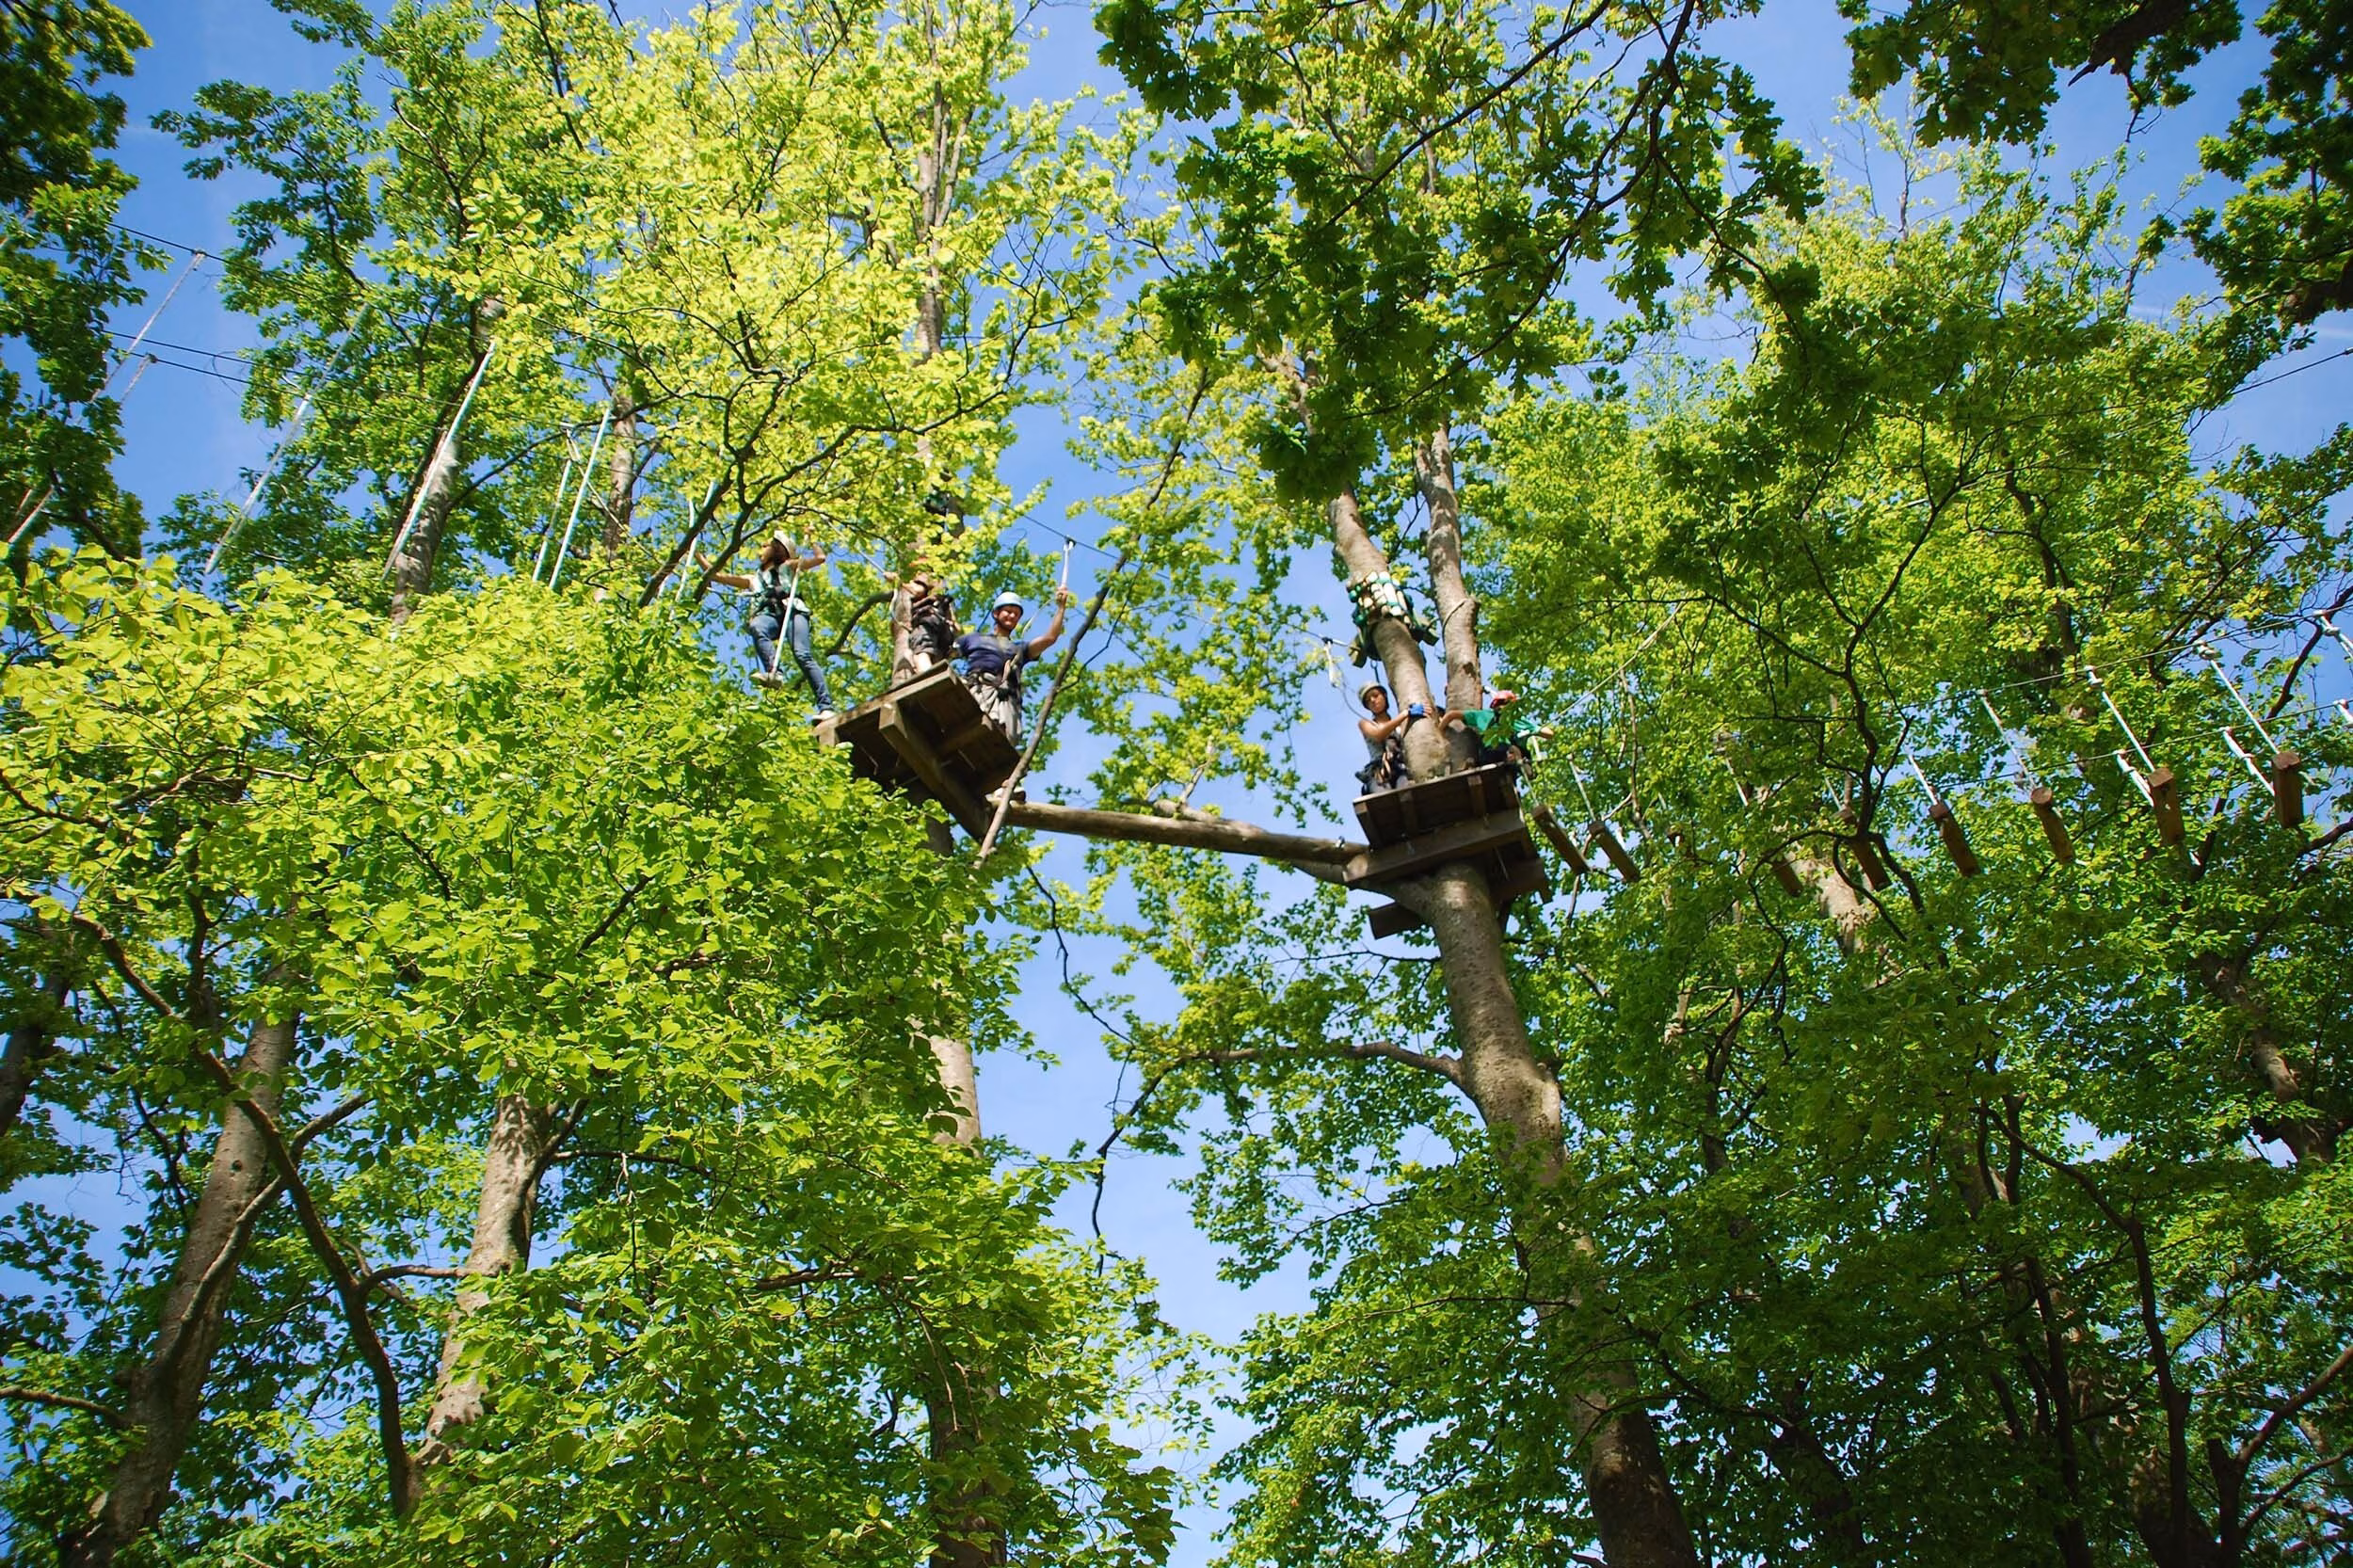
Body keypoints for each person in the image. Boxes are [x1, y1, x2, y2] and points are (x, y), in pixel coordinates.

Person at [704, 535, 836, 717]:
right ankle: (774, 672)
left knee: (802, 654)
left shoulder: (788, 567)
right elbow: (717, 576)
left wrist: (812, 538)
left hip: (793, 612)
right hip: (770, 616)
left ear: (776, 549)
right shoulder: (753, 579)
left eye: (765, 545)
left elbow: (820, 559)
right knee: (757, 627)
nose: (760, 550)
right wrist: (696, 556)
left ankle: (826, 706)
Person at [955, 587, 1070, 740]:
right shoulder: (973, 639)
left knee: (1000, 737)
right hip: (978, 690)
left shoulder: (1019, 649)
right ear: (996, 613)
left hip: (1006, 701)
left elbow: (1050, 638)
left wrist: (1061, 608)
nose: (1012, 616)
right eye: (1008, 611)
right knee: (968, 725)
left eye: (1016, 614)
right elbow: (945, 651)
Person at [1447, 688, 1547, 769]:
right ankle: (1515, 759)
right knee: (1510, 754)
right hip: (1500, 751)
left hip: (1489, 755)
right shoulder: (1512, 719)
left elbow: (1452, 714)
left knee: (1496, 755)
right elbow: (1549, 733)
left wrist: (1440, 729)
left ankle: (1515, 760)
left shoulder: (1486, 715)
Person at [1355, 682, 1415, 793]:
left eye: (1376, 695)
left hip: (1400, 768)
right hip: (1378, 772)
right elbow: (1379, 735)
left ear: (1384, 696)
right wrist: (1404, 714)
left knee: (1406, 790)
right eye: (1368, 700)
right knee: (1383, 797)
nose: (1373, 700)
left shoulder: (1400, 726)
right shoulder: (1365, 724)